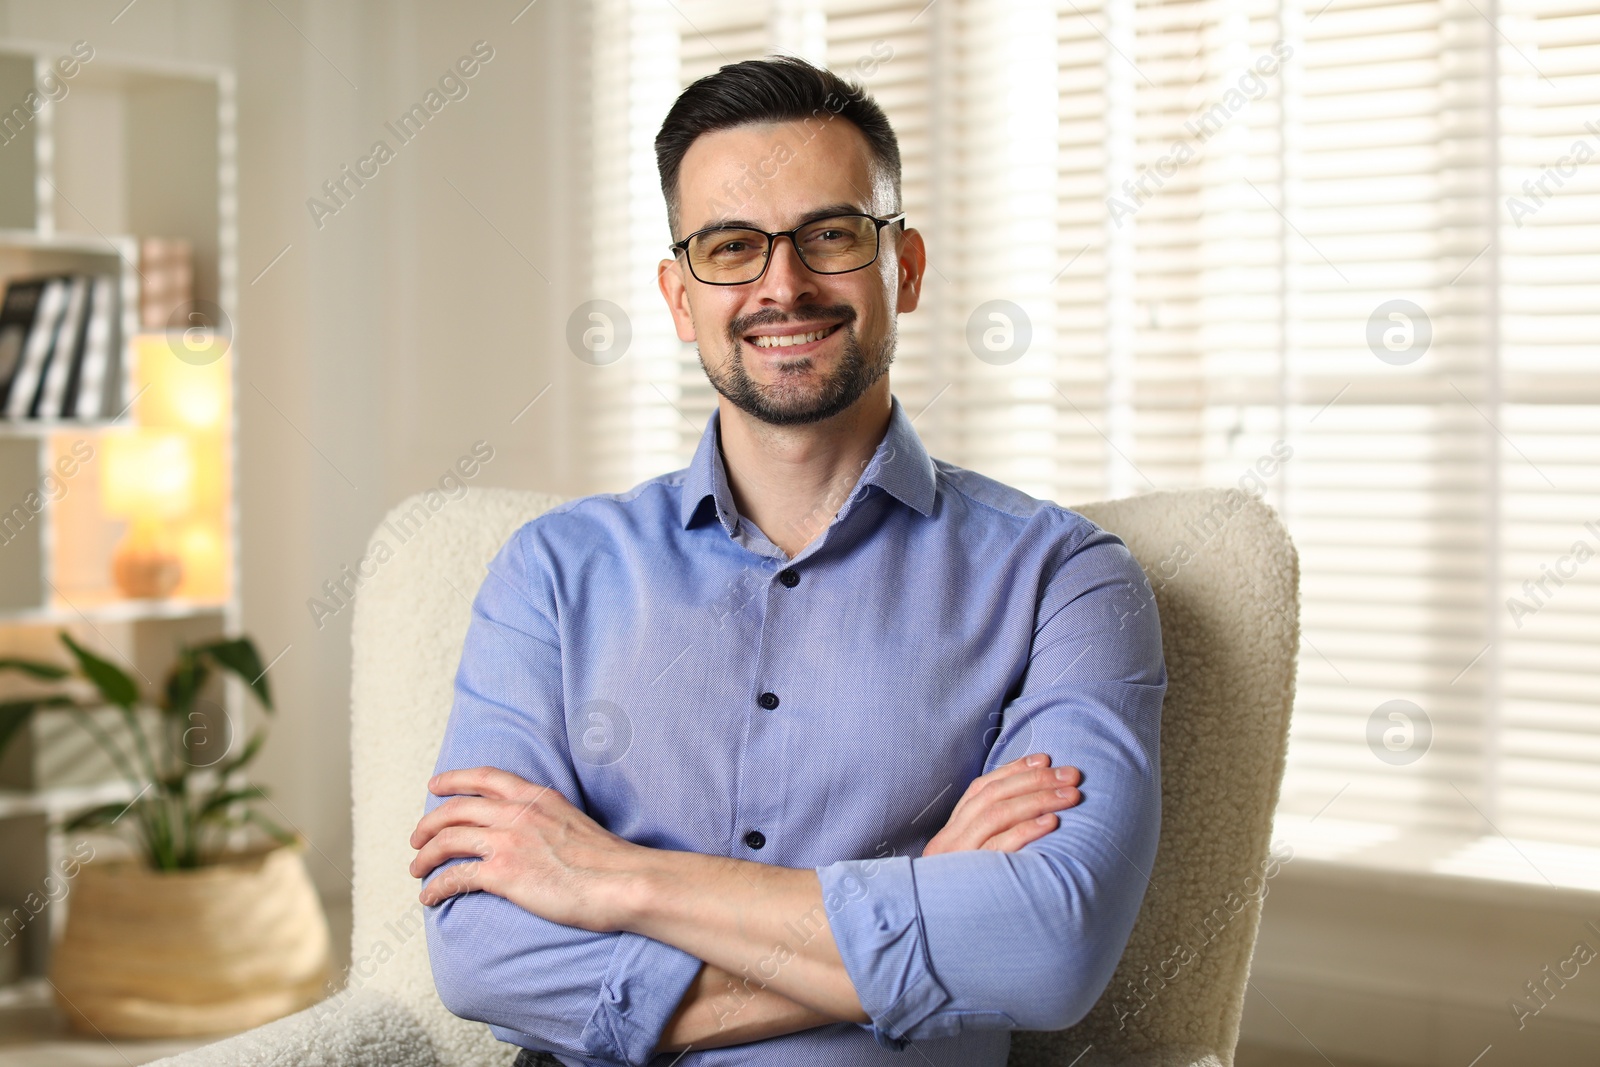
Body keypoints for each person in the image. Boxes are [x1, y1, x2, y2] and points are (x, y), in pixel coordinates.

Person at [408, 55, 1165, 1067]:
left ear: (905, 267)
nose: (783, 284)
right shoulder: (549, 573)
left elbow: (1049, 949)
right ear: (680, 299)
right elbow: (480, 954)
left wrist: (615, 878)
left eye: (831, 234)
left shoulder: (1063, 579)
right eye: (731, 246)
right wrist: (916, 902)